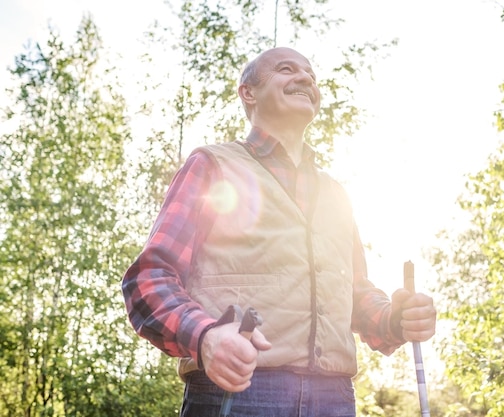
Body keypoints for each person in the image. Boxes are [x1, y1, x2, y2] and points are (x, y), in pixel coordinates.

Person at [122, 46, 437, 417]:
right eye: (286, 69)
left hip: (334, 398)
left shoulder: (337, 193)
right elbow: (148, 279)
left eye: (311, 76)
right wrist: (205, 337)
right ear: (248, 93)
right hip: (241, 392)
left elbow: (352, 292)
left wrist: (395, 319)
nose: (305, 78)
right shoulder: (212, 165)